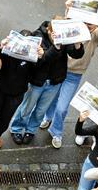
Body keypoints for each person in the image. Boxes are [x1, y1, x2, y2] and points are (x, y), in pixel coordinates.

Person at [8, 18, 85, 146]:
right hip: (36, 81)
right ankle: (16, 128)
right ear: (49, 30)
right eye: (55, 33)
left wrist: (77, 44)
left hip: (54, 82)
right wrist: (56, 46)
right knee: (26, 108)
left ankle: (30, 130)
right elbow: (43, 59)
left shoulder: (63, 36)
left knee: (40, 110)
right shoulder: (38, 36)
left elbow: (76, 55)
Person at [44, 0, 98, 147]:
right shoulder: (74, 28)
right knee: (51, 98)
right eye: (85, 22)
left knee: (62, 107)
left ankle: (56, 132)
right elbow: (63, 25)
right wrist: (68, 9)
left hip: (74, 75)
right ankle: (47, 117)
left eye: (92, 23)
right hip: (58, 69)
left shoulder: (95, 37)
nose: (88, 25)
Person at [0, 30, 38, 148]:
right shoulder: (9, 51)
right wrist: (1, 45)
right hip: (0, 88)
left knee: (6, 117)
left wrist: (40, 56)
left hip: (17, 93)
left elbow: (37, 71)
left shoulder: (32, 57)